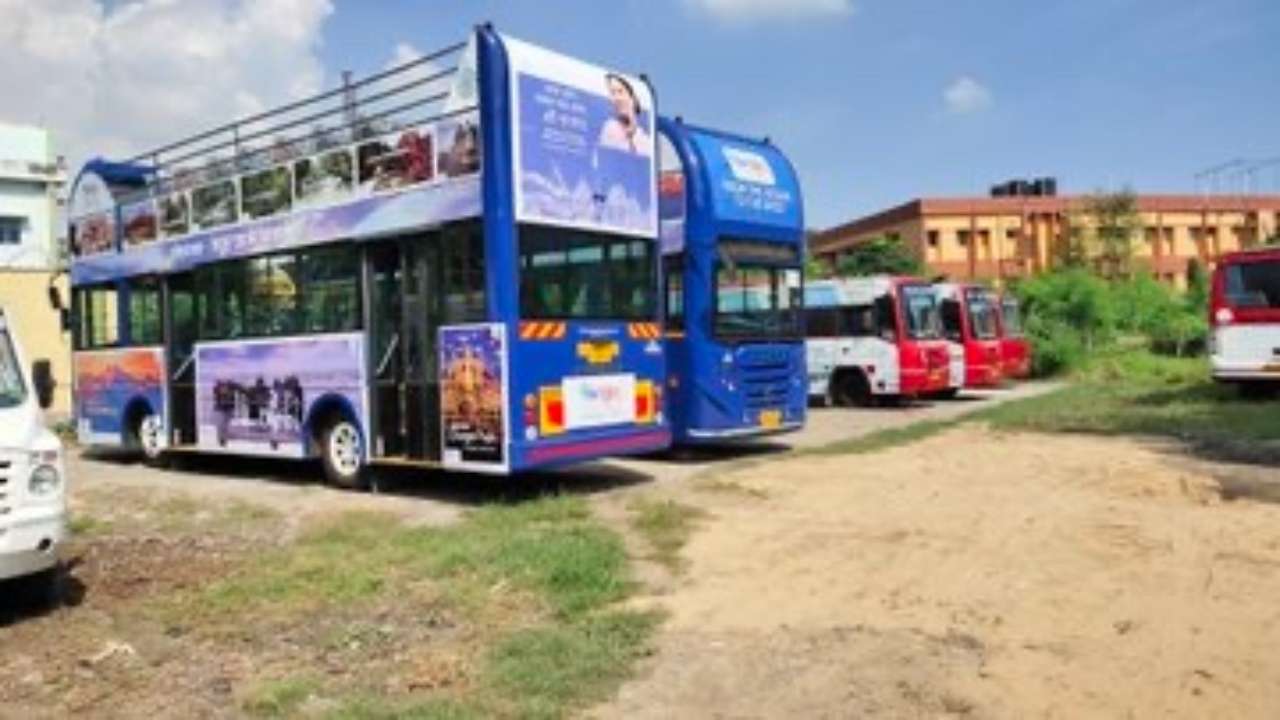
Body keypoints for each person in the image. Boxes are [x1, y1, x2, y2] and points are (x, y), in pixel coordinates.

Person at [597, 74, 651, 156]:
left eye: (620, 91)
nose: (617, 98)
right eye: (613, 93)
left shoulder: (646, 141)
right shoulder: (610, 127)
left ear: (633, 99)